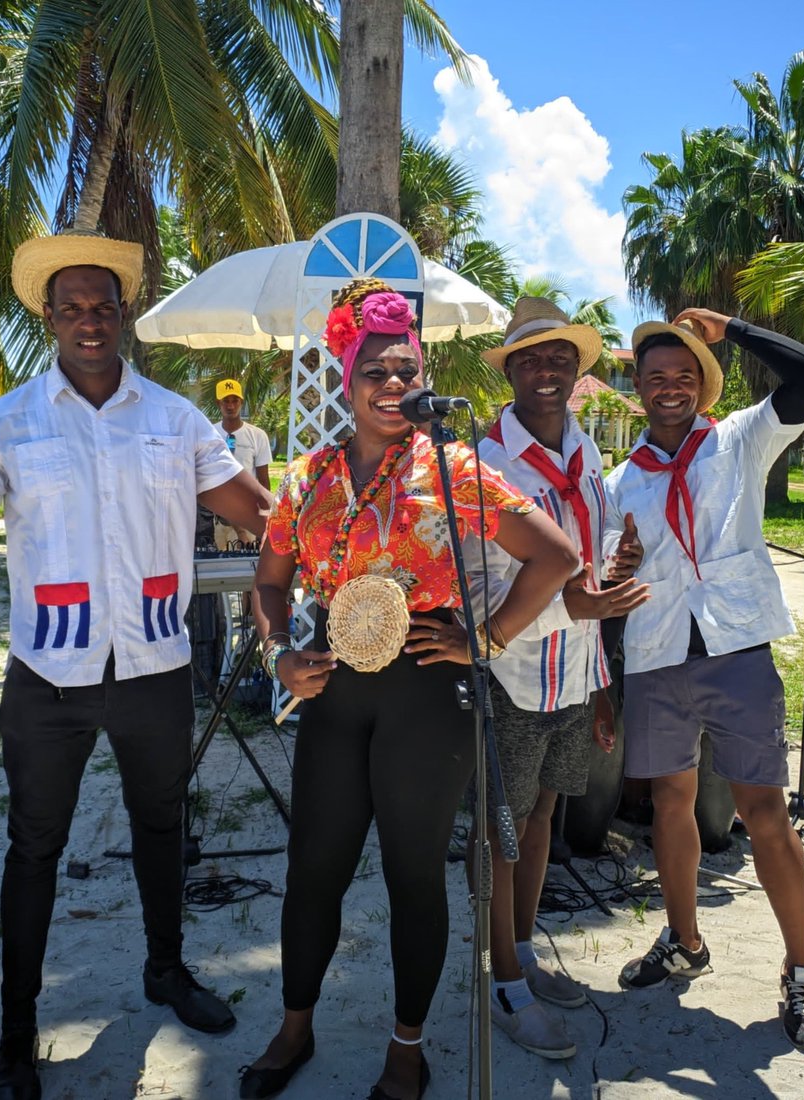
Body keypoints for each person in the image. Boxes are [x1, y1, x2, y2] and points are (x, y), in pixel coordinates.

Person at [0, 229, 274, 1100]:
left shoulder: (175, 420)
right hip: (49, 674)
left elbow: (259, 513)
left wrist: (347, 531)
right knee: (34, 844)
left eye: (103, 307)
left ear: (125, 315)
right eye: (70, 308)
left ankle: (164, 968)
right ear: (48, 317)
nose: (88, 322)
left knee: (162, 825)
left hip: (154, 665)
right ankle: (18, 1033)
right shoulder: (9, 421)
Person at [240, 279, 578, 1100]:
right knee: (313, 867)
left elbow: (557, 557)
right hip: (334, 688)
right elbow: (270, 580)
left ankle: (407, 1043)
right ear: (346, 383)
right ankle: (294, 1026)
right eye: (375, 374)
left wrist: (486, 638)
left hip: (429, 692)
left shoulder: (453, 466)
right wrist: (279, 652)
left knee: (413, 874)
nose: (392, 387)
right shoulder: (310, 476)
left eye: (405, 372)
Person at [604, 308, 804, 1051]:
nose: (670, 389)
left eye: (685, 376)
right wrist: (610, 660)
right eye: (656, 378)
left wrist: (729, 328)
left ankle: (800, 969)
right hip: (656, 657)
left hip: (736, 650)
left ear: (704, 385)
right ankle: (684, 940)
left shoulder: (738, 439)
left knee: (764, 809)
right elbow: (608, 584)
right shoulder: (618, 483)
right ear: (636, 388)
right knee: (671, 802)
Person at [474, 298, 650, 1059]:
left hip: (573, 679)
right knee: (502, 835)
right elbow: (477, 588)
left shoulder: (588, 452)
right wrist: (570, 603)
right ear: (510, 371)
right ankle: (503, 980)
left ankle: (520, 951)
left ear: (577, 373)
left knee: (541, 821)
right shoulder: (484, 461)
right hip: (512, 674)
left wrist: (602, 676)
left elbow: (591, 558)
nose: (547, 372)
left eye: (560, 360)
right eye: (531, 359)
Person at [212, 377, 273, 548]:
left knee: (244, 569)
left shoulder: (257, 435)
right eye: (226, 401)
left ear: (241, 403)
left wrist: (265, 522)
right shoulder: (210, 434)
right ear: (218, 403)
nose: (230, 406)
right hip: (216, 517)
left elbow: (264, 481)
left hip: (248, 518)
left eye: (234, 401)